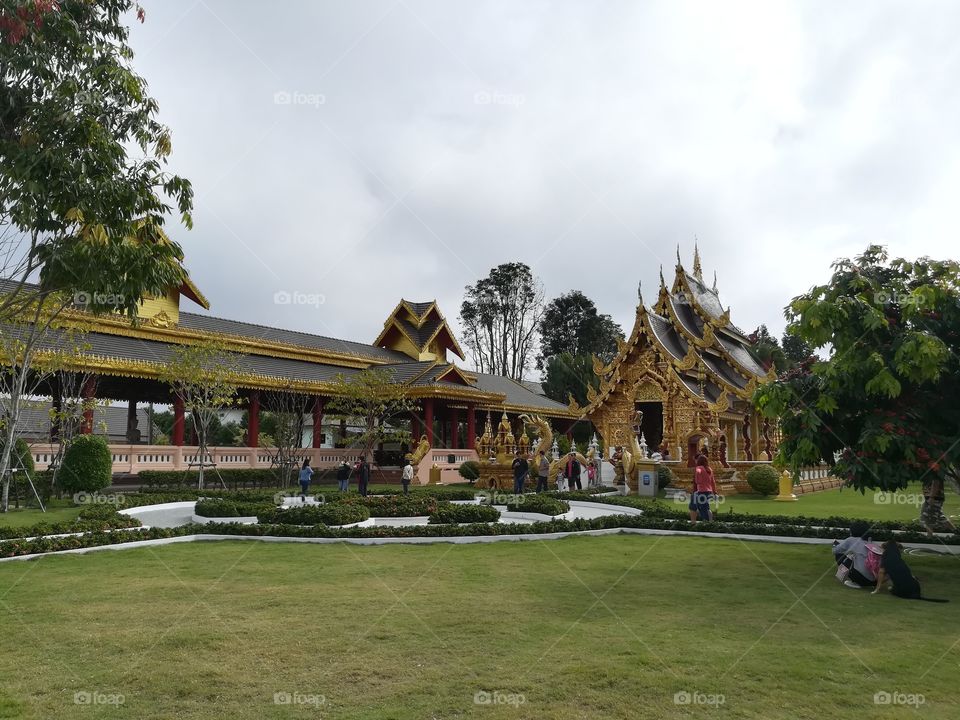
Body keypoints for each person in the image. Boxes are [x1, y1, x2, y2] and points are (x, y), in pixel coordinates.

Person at [832, 521, 877, 589]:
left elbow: (835, 550)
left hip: (861, 578)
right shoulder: (871, 541)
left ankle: (855, 580)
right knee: (852, 556)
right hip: (875, 580)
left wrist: (834, 544)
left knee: (839, 555)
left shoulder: (851, 540)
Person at [688, 454, 716, 523]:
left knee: (700, 508)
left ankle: (701, 523)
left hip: (700, 491)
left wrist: (698, 479)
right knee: (706, 507)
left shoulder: (699, 468)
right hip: (708, 491)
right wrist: (714, 491)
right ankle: (711, 522)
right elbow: (713, 482)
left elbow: (698, 473)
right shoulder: (709, 469)